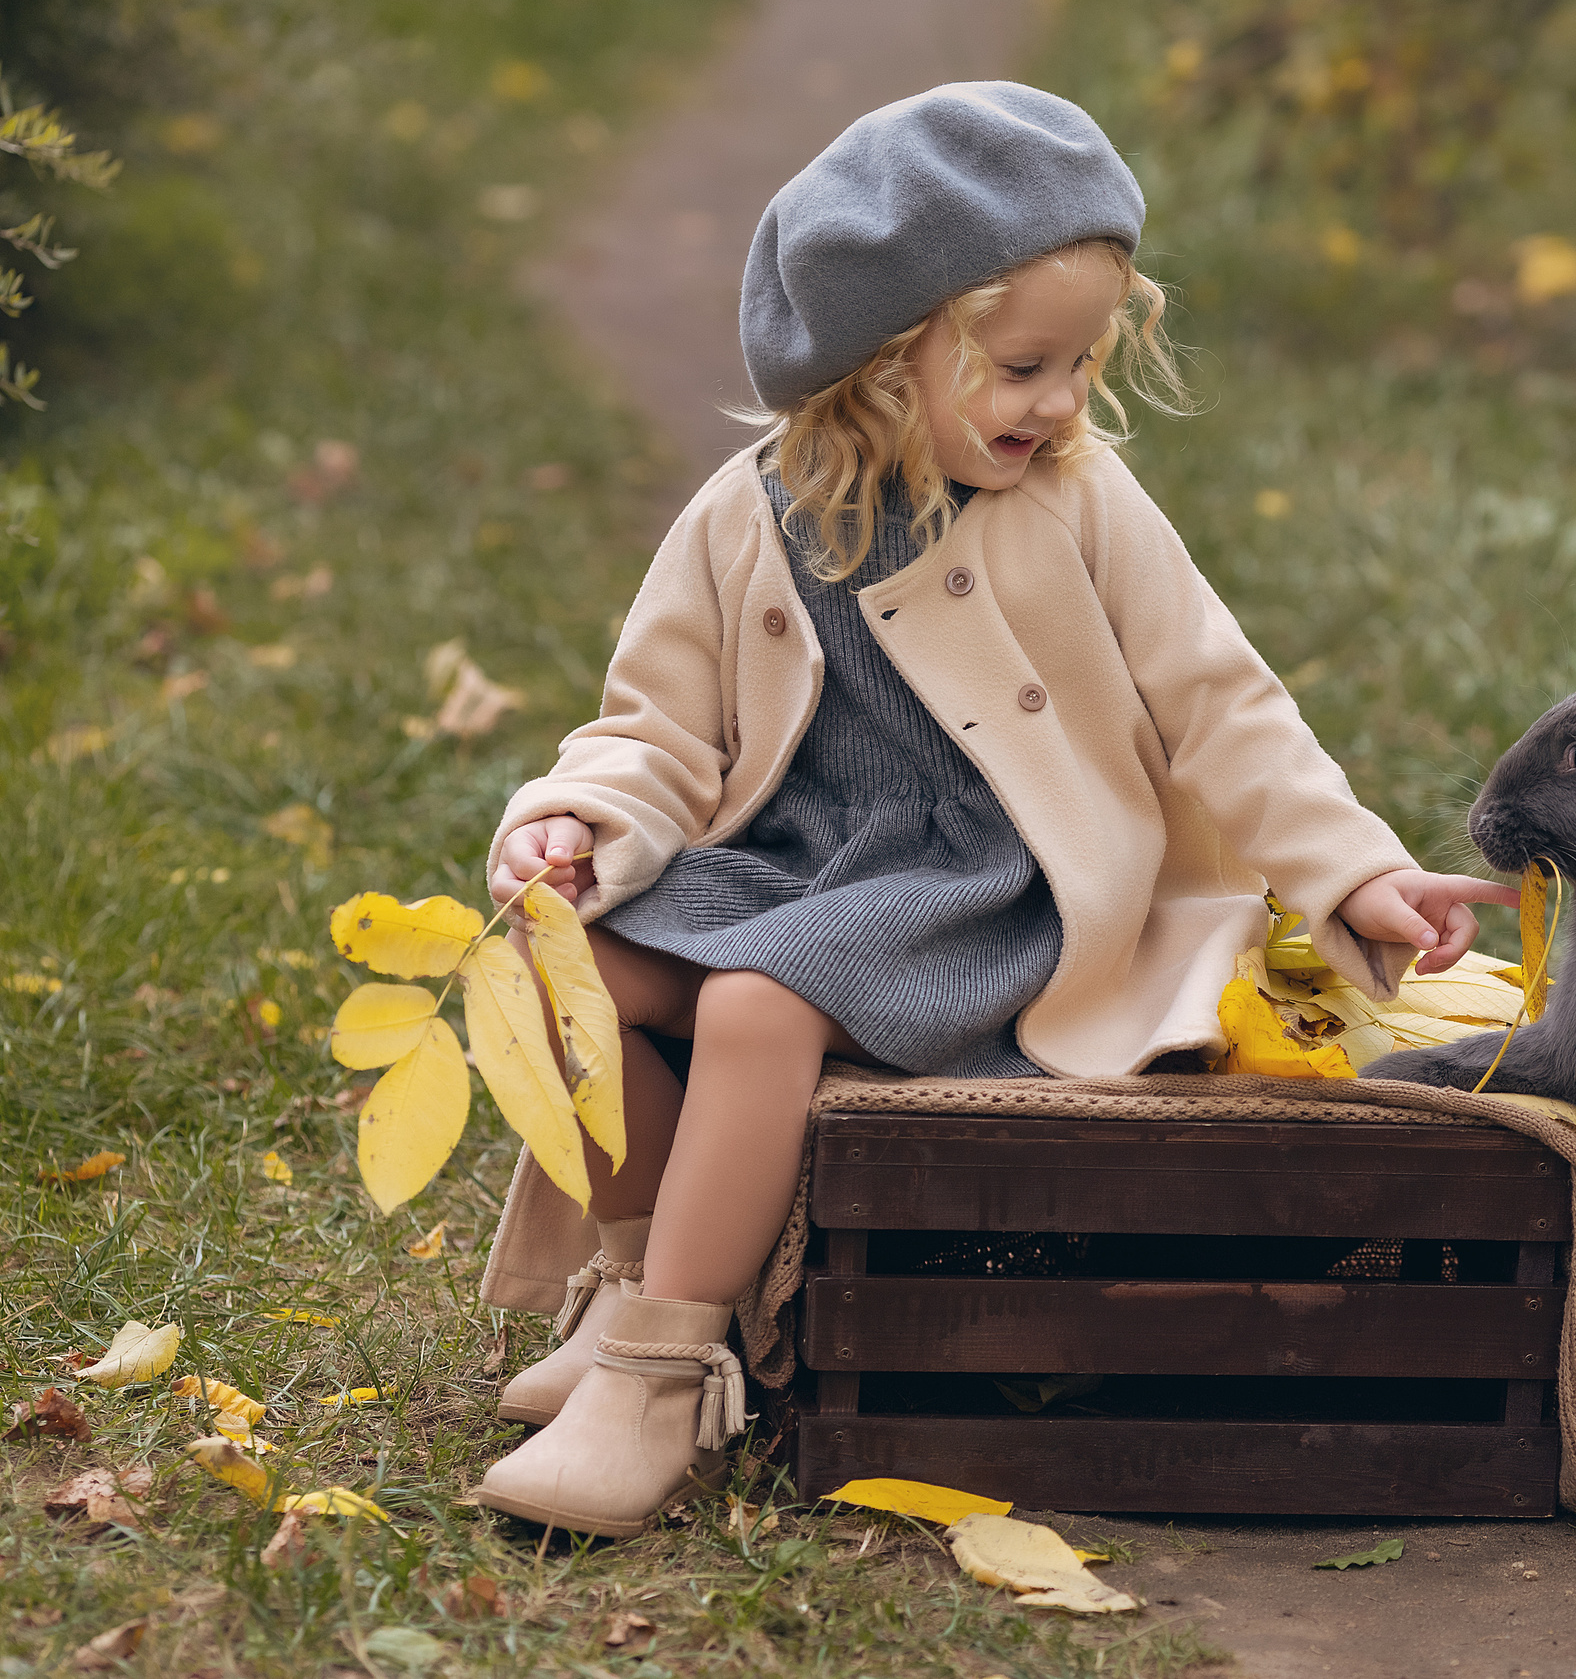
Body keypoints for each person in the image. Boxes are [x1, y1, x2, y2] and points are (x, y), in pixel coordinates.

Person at [467, 81, 1514, 1537]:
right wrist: (581, 821)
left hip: (992, 892)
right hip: (793, 868)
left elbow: (1222, 700)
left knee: (760, 1006)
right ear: (885, 359)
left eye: (1082, 363)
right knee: (548, 966)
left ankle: (664, 1378)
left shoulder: (1081, 503)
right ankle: (636, 1278)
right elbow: (655, 729)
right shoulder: (743, 515)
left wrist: (1351, 872)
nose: (1063, 403)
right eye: (1024, 367)